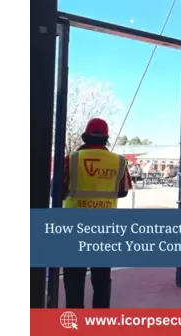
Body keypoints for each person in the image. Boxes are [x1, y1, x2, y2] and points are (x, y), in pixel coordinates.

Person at [61, 118, 133, 308]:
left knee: (74, 279)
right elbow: (123, 192)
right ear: (106, 138)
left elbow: (58, 189)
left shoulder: (72, 159)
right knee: (101, 279)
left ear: (85, 136)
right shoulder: (119, 161)